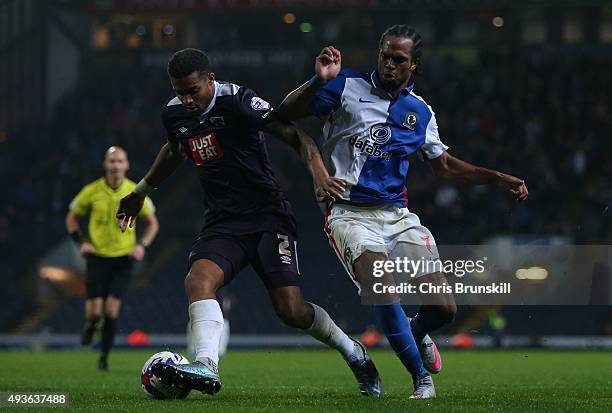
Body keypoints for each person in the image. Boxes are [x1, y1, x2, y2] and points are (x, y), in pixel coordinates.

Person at [276, 24, 528, 399]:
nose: (389, 64)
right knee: (382, 289)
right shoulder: (345, 86)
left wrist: (496, 177)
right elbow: (284, 112)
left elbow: (444, 166)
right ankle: (420, 380)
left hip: (396, 215)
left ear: (415, 66)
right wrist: (318, 81)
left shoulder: (420, 112)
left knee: (443, 308)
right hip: (348, 214)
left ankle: (418, 331)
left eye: (399, 59)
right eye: (385, 56)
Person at [116, 48, 381, 397]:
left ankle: (354, 353)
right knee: (198, 281)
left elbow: (296, 135)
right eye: (179, 91)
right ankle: (207, 365)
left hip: (268, 216)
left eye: (193, 90)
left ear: (210, 80)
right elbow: (175, 149)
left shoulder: (238, 101)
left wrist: (318, 175)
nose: (186, 99)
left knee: (290, 309)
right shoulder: (175, 114)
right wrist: (141, 190)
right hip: (223, 220)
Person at [65, 146, 159, 370]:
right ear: (105, 165)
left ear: (126, 165)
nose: (116, 165)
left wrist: (142, 246)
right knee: (96, 312)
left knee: (111, 310)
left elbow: (153, 222)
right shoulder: (92, 191)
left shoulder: (135, 191)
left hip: (123, 259)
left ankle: (103, 358)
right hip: (97, 257)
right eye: (112, 161)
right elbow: (72, 217)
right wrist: (81, 242)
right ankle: (90, 324)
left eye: (120, 161)